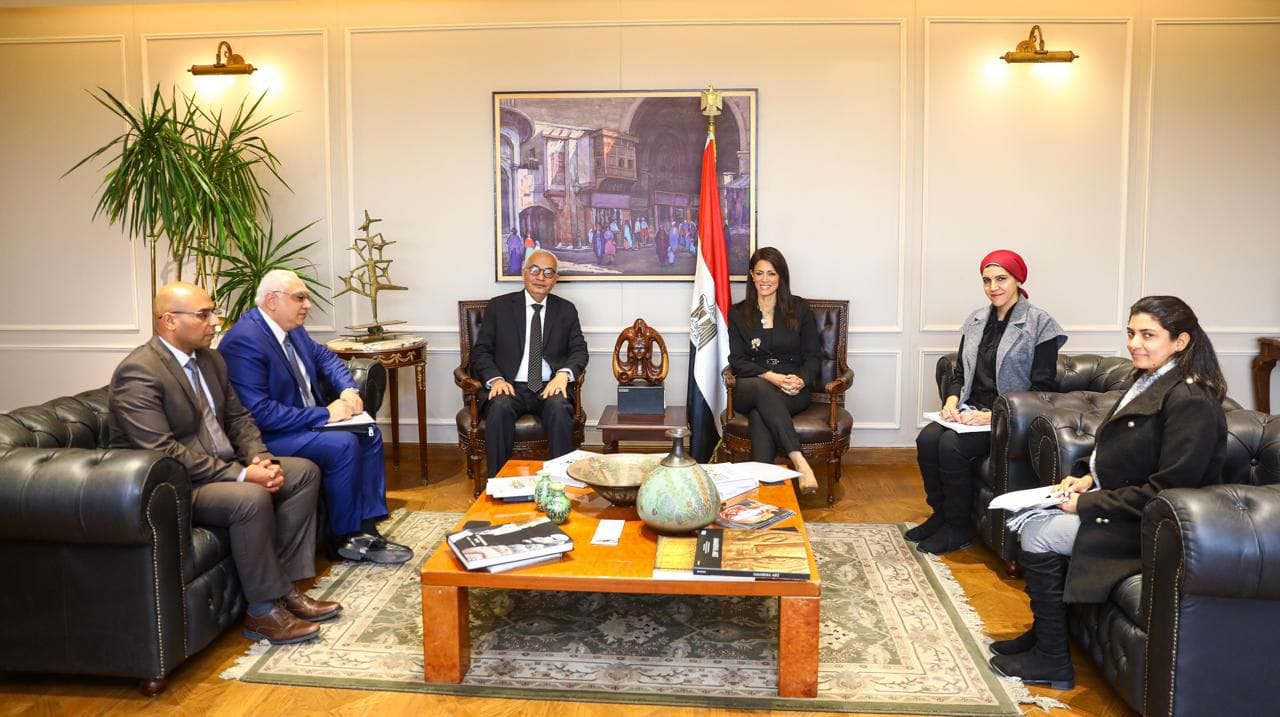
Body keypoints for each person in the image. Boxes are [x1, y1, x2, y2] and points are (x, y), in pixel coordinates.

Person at [989, 295, 1227, 691]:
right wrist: (1085, 476)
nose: (1135, 344)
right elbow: (1119, 451)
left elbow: (1169, 491)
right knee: (1030, 521)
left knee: (1038, 534)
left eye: (1148, 335)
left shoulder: (1190, 400)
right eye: (1131, 333)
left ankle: (1052, 659)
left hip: (1152, 526)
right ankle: (1045, 635)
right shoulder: (1148, 380)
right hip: (1122, 506)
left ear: (1181, 341)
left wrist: (1087, 504)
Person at [108, 281, 341, 645]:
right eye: (203, 314)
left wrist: (261, 459)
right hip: (176, 486)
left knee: (302, 473)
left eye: (213, 312)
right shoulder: (139, 372)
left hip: (222, 468)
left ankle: (286, 588)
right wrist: (244, 474)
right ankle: (262, 612)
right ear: (169, 320)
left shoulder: (211, 360)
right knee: (250, 497)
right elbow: (162, 450)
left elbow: (239, 418)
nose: (215, 321)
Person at [218, 270, 412, 565]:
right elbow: (260, 413)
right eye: (300, 298)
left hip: (302, 424)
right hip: (272, 435)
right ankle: (343, 538)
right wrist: (326, 413)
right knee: (343, 445)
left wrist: (347, 389)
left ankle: (366, 524)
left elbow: (326, 357)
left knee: (370, 433)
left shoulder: (291, 329)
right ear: (272, 300)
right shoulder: (245, 341)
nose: (307, 305)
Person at [910, 250, 1066, 555]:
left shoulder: (1040, 323)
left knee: (951, 446)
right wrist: (952, 400)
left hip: (1010, 416)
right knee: (926, 439)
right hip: (969, 410)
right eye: (986, 280)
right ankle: (940, 516)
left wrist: (992, 417)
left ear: (1018, 280)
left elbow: (1042, 389)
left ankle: (958, 528)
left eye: (1001, 279)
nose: (993, 287)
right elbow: (959, 371)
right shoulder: (976, 319)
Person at [471, 249, 589, 475]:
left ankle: (562, 483)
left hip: (549, 386)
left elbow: (579, 350)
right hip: (509, 386)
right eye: (535, 270)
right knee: (500, 409)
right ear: (524, 273)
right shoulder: (499, 307)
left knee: (559, 409)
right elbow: (481, 351)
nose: (541, 277)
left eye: (548, 272)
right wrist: (496, 380)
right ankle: (498, 482)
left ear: (555, 279)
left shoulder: (566, 310)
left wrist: (563, 375)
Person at [727, 247, 822, 495]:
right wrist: (771, 377)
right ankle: (799, 461)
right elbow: (736, 360)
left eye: (771, 273)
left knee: (760, 416)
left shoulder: (799, 308)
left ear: (781, 276)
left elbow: (813, 356)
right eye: (759, 273)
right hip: (751, 384)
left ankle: (765, 492)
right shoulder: (738, 313)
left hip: (792, 386)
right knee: (761, 389)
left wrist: (801, 380)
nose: (765, 279)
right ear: (751, 275)